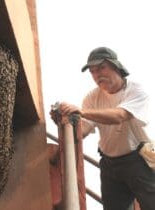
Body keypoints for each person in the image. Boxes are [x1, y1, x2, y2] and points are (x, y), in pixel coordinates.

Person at [50, 47, 155, 210]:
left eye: (101, 68)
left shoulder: (135, 90)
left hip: (138, 160)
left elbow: (119, 116)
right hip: (110, 165)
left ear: (115, 66)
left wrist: (82, 111)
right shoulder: (92, 98)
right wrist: (64, 122)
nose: (97, 74)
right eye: (92, 71)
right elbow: (83, 130)